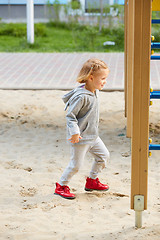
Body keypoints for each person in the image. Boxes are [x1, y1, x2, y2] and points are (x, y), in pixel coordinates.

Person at [54, 58, 110, 199]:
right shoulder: (81, 97)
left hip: (93, 136)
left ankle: (92, 181)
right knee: (76, 166)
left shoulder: (93, 90)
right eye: (103, 78)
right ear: (91, 78)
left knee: (103, 156)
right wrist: (74, 132)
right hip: (80, 138)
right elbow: (70, 116)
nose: (105, 81)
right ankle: (61, 186)